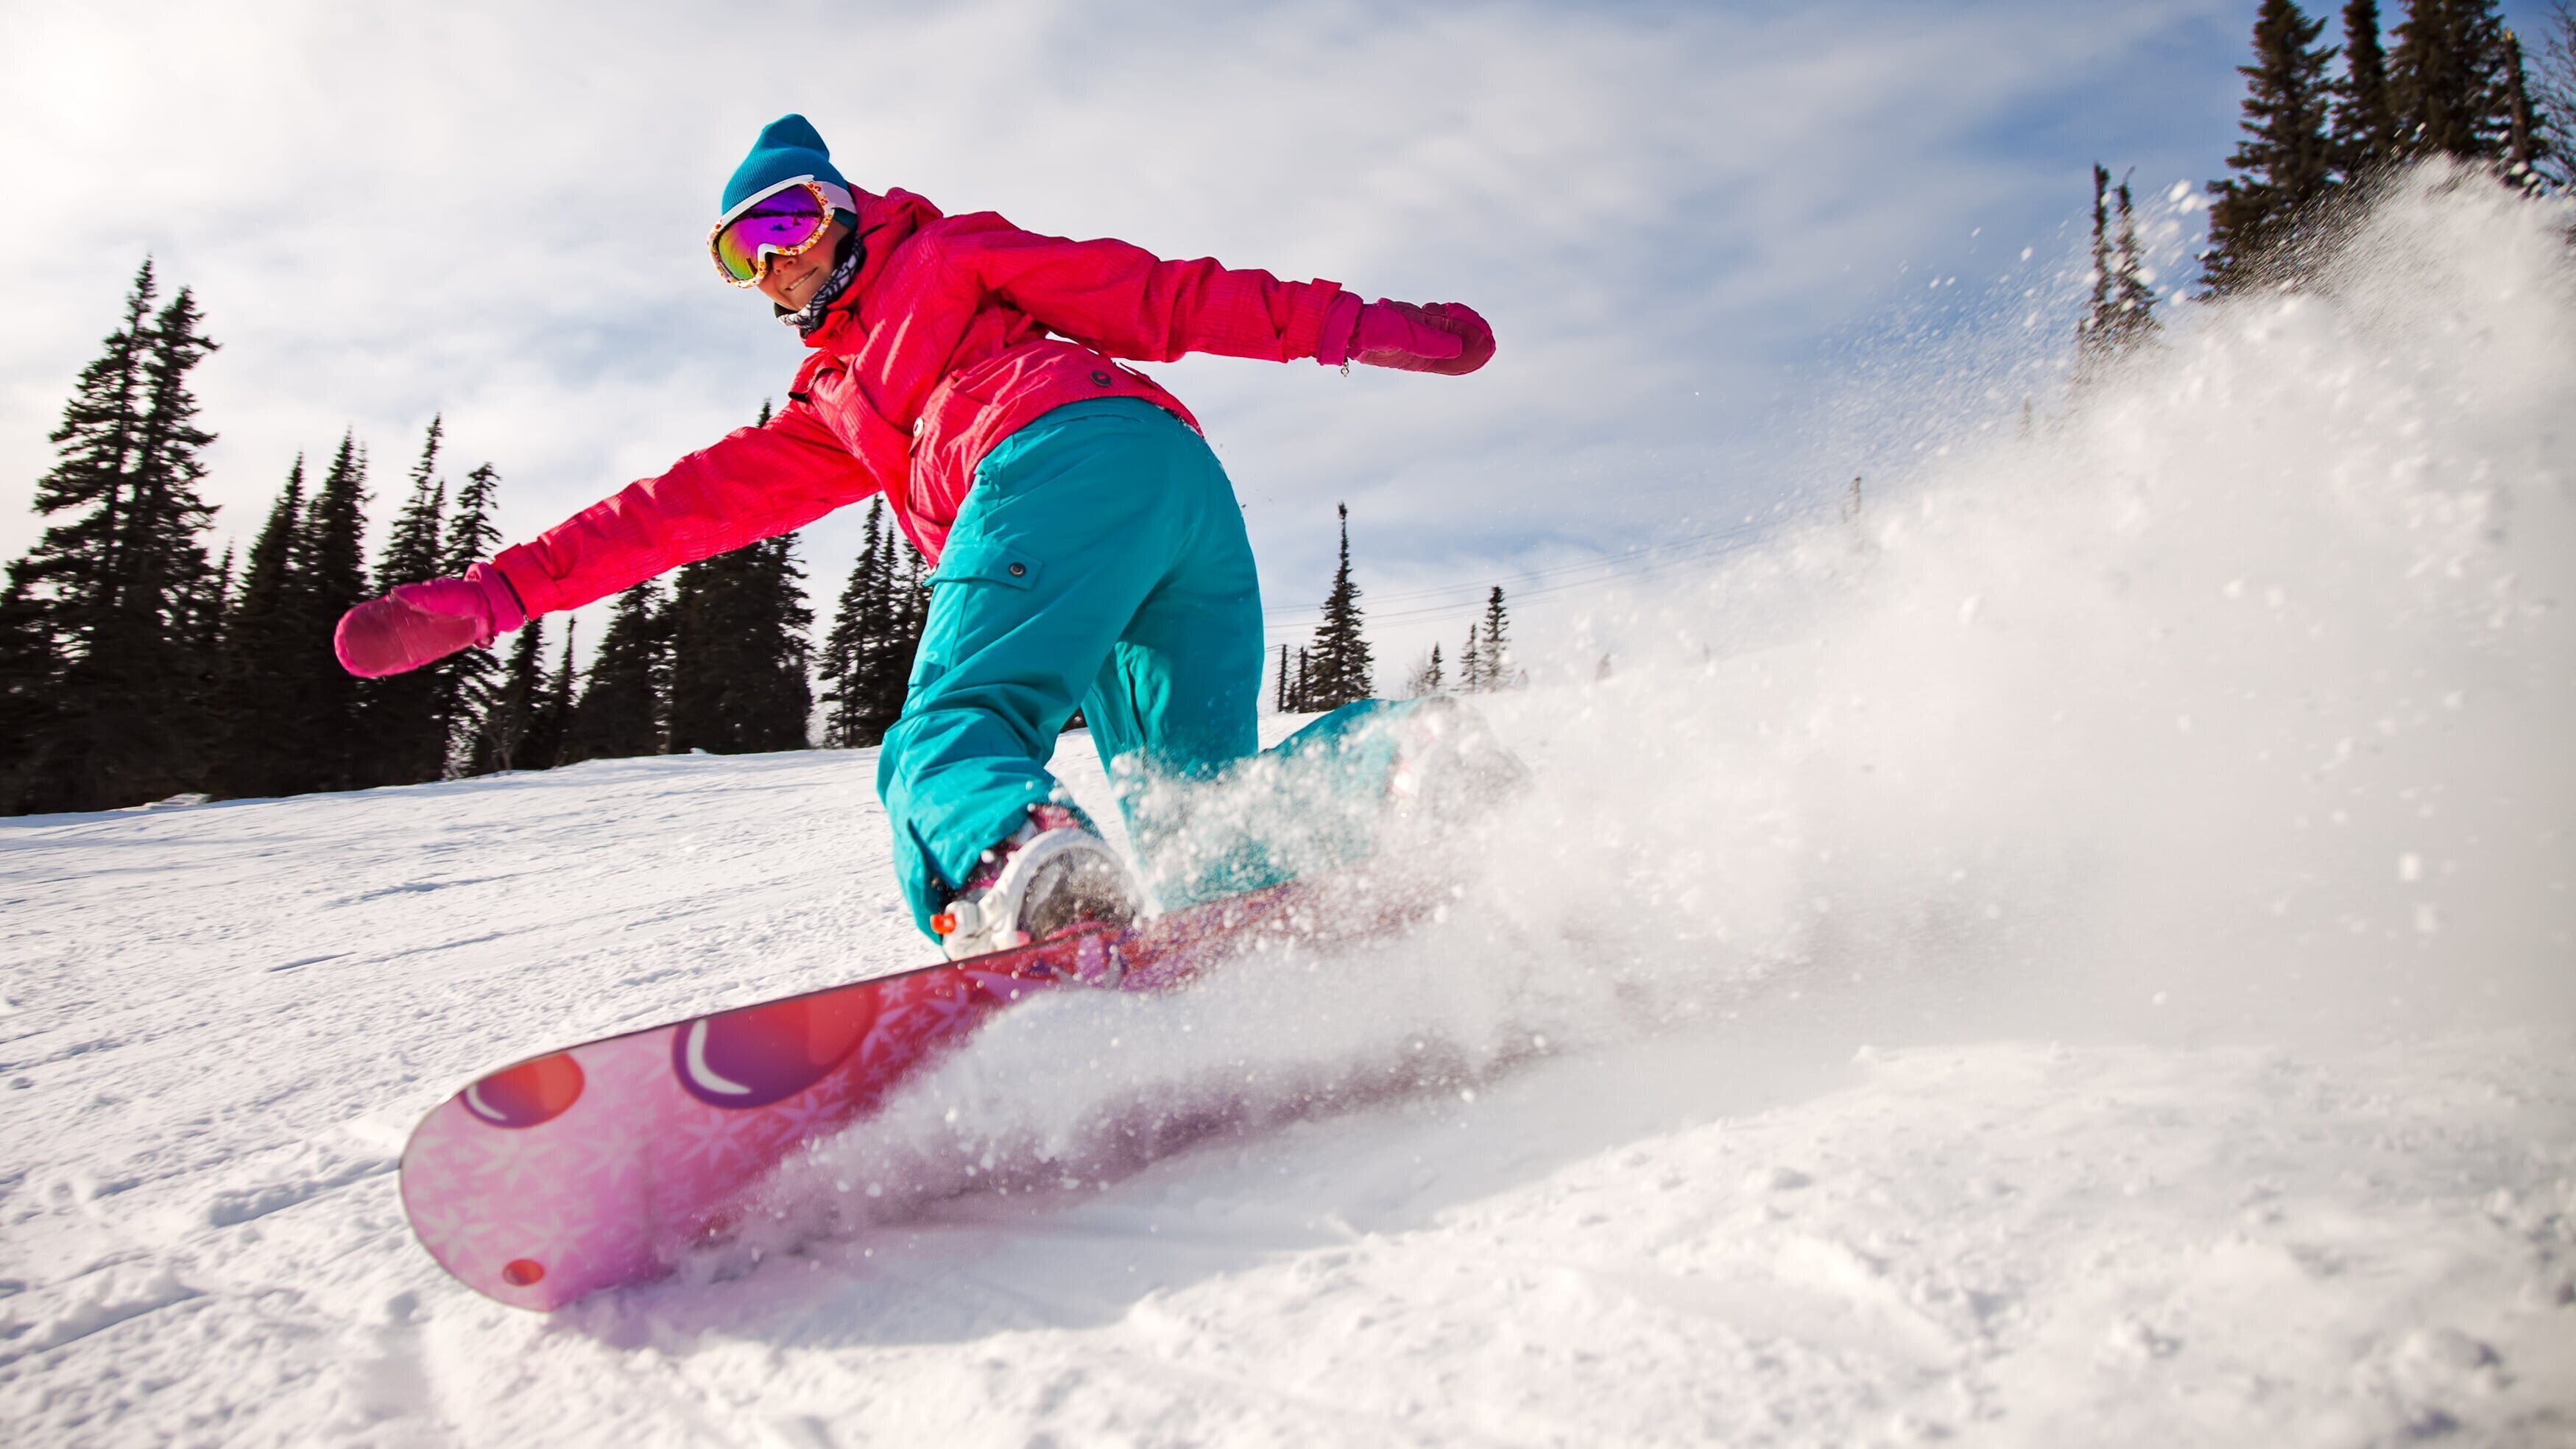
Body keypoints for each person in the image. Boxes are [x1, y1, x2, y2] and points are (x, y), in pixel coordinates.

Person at [336, 114, 1495, 959]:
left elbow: (1164, 296)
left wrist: (1358, 326)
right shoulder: (831, 408)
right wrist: (499, 595)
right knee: (1201, 825)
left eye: (789, 220)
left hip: (1059, 455)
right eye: (745, 253)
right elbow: (667, 514)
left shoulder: (946, 257)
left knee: (948, 736)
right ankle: (1400, 767)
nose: (776, 258)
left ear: (844, 210)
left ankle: (1015, 865)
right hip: (1177, 499)